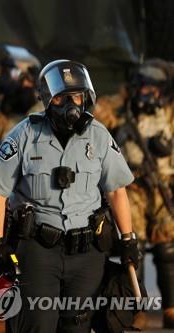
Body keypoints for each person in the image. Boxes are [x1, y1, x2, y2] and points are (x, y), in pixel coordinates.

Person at [0, 59, 139, 333]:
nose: (71, 104)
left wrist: (127, 240)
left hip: (87, 252)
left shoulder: (99, 136)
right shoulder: (23, 135)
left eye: (76, 96)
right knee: (37, 324)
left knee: (78, 325)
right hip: (38, 250)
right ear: (47, 99)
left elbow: (116, 190)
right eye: (61, 97)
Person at [95, 59, 174, 328]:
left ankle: (171, 307)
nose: (148, 93)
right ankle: (135, 307)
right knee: (132, 247)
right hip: (133, 187)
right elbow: (96, 115)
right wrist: (122, 98)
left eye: (155, 88)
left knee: (167, 247)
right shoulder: (125, 108)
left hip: (163, 186)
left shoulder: (170, 113)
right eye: (144, 87)